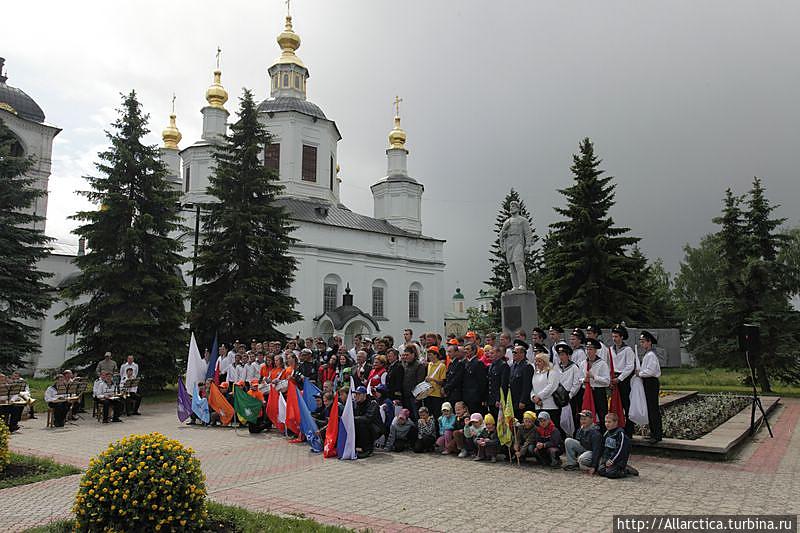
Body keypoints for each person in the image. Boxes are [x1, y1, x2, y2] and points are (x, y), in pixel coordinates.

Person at [610, 324, 636, 436]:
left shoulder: (628, 350)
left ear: (621, 337)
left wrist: (620, 378)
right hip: (613, 378)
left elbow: (630, 366)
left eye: (616, 336)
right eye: (613, 336)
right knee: (615, 405)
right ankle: (616, 427)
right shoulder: (610, 349)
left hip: (624, 380)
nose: (614, 339)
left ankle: (629, 431)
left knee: (627, 405)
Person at [638, 330, 663, 443]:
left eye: (643, 342)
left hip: (651, 382)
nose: (641, 344)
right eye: (641, 342)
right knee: (650, 408)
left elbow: (651, 371)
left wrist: (640, 373)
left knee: (653, 408)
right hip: (647, 382)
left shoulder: (651, 355)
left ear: (649, 342)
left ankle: (657, 434)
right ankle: (653, 432)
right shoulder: (648, 354)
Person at [579, 339, 610, 424]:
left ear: (596, 350)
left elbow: (607, 381)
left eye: (591, 349)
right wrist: (583, 380)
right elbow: (579, 378)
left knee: (602, 414)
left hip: (598, 391)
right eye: (587, 349)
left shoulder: (602, 363)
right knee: (587, 414)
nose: (588, 351)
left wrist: (594, 377)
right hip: (586, 391)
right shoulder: (583, 363)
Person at [556, 344, 583, 436]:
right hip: (557, 397)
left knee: (571, 418)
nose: (561, 357)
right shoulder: (556, 367)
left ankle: (573, 436)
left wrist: (570, 395)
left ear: (568, 355)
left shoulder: (574, 367)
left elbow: (577, 383)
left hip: (569, 397)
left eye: (563, 354)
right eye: (560, 355)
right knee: (559, 418)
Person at [597, 412, 632, 478]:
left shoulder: (620, 433)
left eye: (609, 422)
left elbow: (620, 450)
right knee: (600, 471)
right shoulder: (607, 433)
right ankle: (613, 469)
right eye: (605, 422)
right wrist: (604, 459)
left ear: (615, 422)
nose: (607, 424)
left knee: (611, 474)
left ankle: (625, 470)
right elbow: (604, 447)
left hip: (618, 460)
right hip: (608, 459)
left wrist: (612, 460)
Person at [352, 386, 382, 458]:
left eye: (359, 394)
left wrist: (354, 419)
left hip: (375, 429)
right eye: (356, 394)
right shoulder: (357, 404)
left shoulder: (372, 403)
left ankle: (368, 449)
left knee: (362, 424)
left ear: (364, 395)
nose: (357, 396)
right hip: (366, 427)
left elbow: (368, 418)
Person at [531, 353, 560, 427]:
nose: (537, 363)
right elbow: (533, 388)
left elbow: (551, 387)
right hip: (538, 406)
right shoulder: (536, 373)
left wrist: (539, 397)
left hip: (550, 406)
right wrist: (533, 397)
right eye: (536, 361)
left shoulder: (552, 372)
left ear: (545, 362)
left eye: (539, 361)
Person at [509, 340, 534, 421]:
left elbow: (527, 385)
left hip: (522, 401)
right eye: (513, 352)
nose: (513, 354)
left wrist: (523, 401)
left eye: (515, 352)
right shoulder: (513, 366)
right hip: (513, 400)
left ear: (522, 354)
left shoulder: (527, 366)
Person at [401, 346, 426, 420]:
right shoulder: (405, 365)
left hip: (414, 397)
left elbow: (420, 382)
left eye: (407, 355)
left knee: (416, 416)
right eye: (404, 355)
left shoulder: (419, 365)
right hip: (405, 395)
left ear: (413, 354)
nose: (405, 357)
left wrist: (417, 397)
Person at [461, 343, 487, 415]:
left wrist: (482, 398)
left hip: (475, 398)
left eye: (468, 349)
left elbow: (482, 382)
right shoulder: (464, 363)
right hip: (466, 397)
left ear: (473, 351)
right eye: (465, 349)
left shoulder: (478, 363)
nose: (465, 351)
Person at [423, 346, 447, 418]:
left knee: (437, 414)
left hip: (437, 394)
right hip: (428, 393)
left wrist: (432, 379)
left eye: (430, 354)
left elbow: (442, 382)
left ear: (436, 355)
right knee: (429, 414)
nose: (429, 356)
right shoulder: (429, 364)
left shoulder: (442, 366)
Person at [486, 345, 510, 412]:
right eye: (489, 353)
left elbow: (503, 384)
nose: (490, 355)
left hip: (497, 398)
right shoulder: (491, 365)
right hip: (491, 398)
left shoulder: (503, 365)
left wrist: (499, 399)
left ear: (498, 354)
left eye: (492, 353)